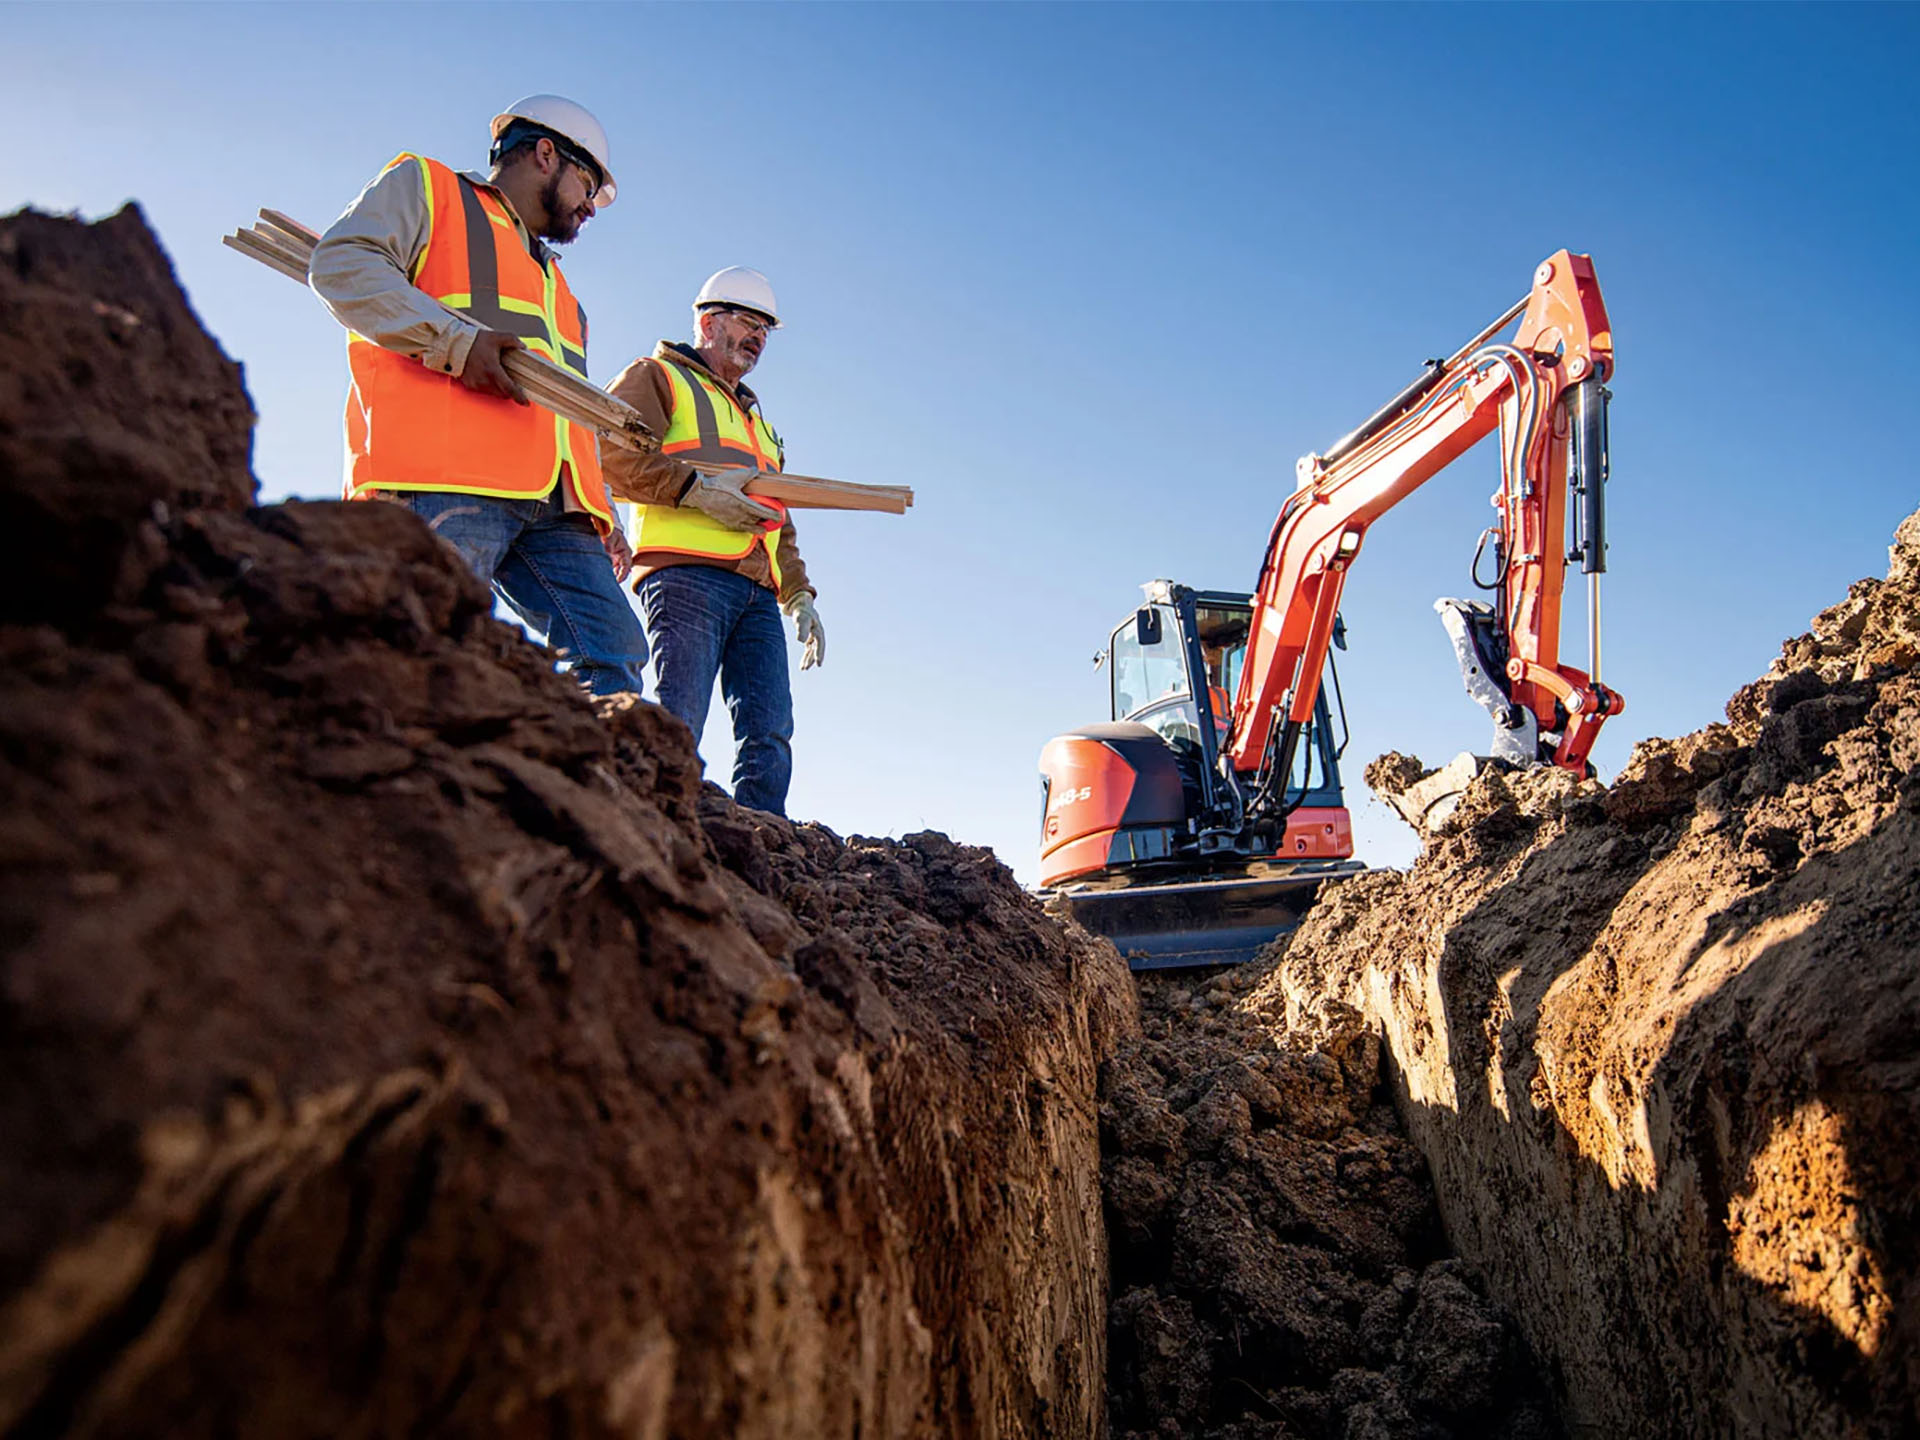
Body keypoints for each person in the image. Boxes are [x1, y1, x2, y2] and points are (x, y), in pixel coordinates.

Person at [308, 95, 647, 696]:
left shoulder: (562, 291)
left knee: (614, 654)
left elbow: (573, 413)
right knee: (417, 641)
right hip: (444, 477)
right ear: (547, 155)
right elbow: (342, 265)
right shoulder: (430, 190)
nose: (591, 208)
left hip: (555, 505)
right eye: (587, 185)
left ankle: (575, 789)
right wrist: (455, 342)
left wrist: (606, 515)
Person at [601, 268, 823, 815]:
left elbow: (778, 516)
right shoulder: (657, 378)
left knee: (769, 731)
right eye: (749, 323)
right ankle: (657, 825)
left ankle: (760, 844)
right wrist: (695, 492)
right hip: (686, 577)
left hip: (754, 590)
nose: (759, 338)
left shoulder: (758, 423)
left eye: (766, 330)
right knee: (679, 718)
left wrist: (798, 595)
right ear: (708, 322)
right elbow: (607, 455)